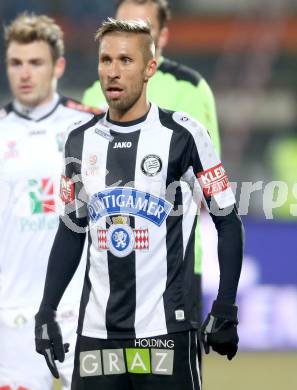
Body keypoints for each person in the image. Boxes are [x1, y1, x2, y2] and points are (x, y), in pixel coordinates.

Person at [35, 19, 243, 390]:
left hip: (166, 332)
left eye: (126, 61)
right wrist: (47, 310)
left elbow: (228, 221)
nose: (113, 72)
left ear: (149, 68)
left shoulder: (185, 134)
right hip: (97, 338)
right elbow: (71, 230)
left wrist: (225, 308)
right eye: (106, 60)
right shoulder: (79, 141)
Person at [82, 0, 221, 328]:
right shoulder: (91, 95)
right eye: (120, 27)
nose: (126, 38)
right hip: (107, 266)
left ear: (163, 37)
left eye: (140, 29)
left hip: (176, 264)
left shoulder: (190, 88)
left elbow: (209, 182)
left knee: (173, 375)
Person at [0, 13, 100, 390]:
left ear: (58, 66)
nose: (25, 73)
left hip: (86, 316)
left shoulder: (92, 127)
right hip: (13, 322)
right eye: (16, 63)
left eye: (36, 63)